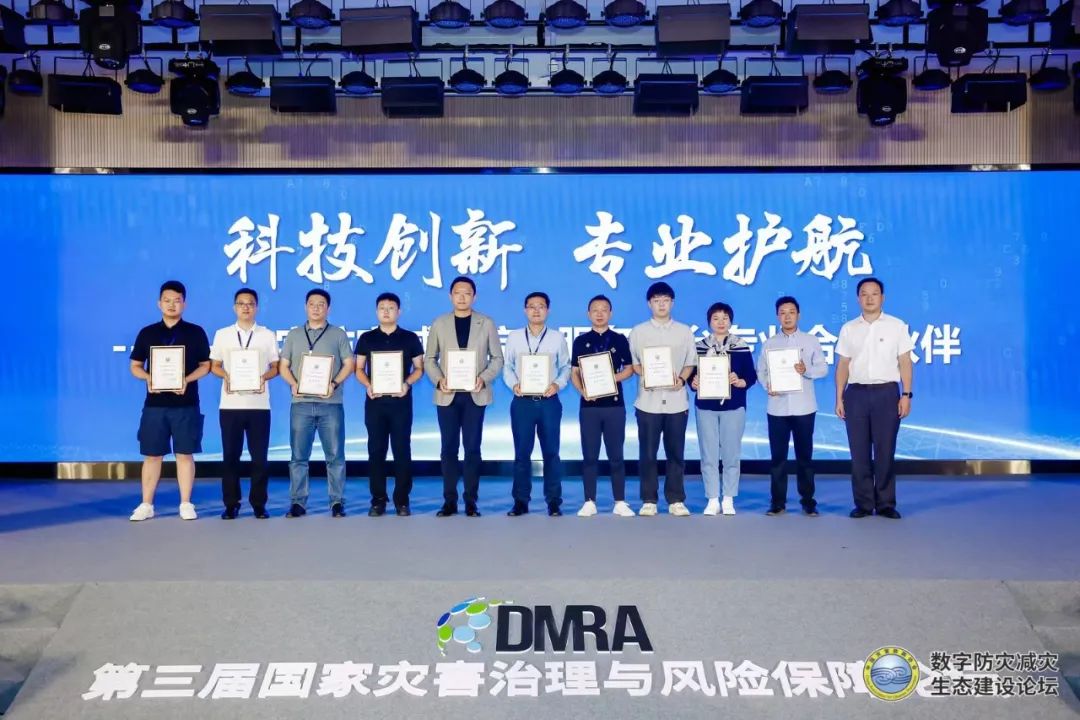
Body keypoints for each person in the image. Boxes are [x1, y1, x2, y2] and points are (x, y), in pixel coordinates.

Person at [127, 280, 211, 521]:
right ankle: (146, 504)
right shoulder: (147, 333)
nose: (172, 304)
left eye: (177, 300)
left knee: (185, 454)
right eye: (167, 300)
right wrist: (148, 378)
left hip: (186, 404)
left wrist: (186, 380)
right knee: (152, 455)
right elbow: (135, 366)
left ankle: (186, 503)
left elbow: (205, 366)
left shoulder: (195, 332)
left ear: (184, 303)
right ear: (159, 303)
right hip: (155, 405)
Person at [424, 276, 505, 517]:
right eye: (457, 293)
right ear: (450, 296)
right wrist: (439, 379)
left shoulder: (486, 323)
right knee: (448, 449)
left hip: (474, 394)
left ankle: (471, 501)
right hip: (447, 395)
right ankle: (449, 501)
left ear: (474, 296)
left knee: (472, 448)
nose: (462, 297)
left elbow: (497, 358)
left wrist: (483, 378)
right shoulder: (439, 323)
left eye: (467, 293)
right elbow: (430, 359)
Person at [835, 277, 914, 520]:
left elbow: (905, 361)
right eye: (864, 294)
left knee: (885, 450)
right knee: (858, 453)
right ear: (858, 298)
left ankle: (886, 503)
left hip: (886, 393)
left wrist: (906, 394)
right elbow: (843, 365)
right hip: (856, 394)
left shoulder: (897, 326)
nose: (869, 298)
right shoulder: (849, 328)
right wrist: (839, 397)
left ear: (883, 297)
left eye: (874, 293)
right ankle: (863, 503)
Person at [278, 289, 355, 518]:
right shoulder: (294, 335)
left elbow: (349, 364)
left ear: (328, 308)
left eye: (321, 304)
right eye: (312, 304)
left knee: (335, 457)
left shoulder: (338, 334)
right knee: (298, 457)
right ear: (305, 307)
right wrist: (293, 384)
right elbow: (283, 366)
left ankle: (337, 501)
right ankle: (298, 502)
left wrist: (334, 383)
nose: (316, 308)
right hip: (301, 404)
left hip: (330, 404)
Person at [208, 287, 279, 520]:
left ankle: (259, 504)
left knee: (259, 458)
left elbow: (276, 367)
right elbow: (214, 365)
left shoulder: (267, 335)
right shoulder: (222, 334)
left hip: (259, 405)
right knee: (230, 457)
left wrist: (263, 378)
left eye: (250, 303)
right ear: (234, 307)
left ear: (257, 307)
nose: (245, 307)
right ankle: (231, 504)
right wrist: (227, 376)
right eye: (241, 303)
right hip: (230, 405)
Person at [628, 282, 698, 517]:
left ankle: (676, 499)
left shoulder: (684, 331)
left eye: (665, 300)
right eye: (656, 301)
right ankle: (649, 499)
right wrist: (648, 375)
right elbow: (634, 364)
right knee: (648, 454)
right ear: (649, 304)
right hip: (648, 402)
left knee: (675, 453)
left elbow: (690, 362)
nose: (661, 305)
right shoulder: (638, 332)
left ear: (672, 303)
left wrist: (682, 379)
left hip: (677, 401)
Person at [354, 292, 424, 517]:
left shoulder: (410, 338)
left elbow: (419, 368)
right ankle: (378, 500)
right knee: (376, 451)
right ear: (376, 311)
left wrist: (407, 383)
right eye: (382, 308)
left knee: (402, 450)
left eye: (391, 307)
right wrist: (368, 384)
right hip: (375, 402)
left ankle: (402, 500)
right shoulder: (366, 338)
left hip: (401, 402)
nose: (386, 311)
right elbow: (358, 369)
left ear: (399, 311)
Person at [756, 296, 826, 517]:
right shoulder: (770, 343)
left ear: (798, 315)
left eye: (791, 312)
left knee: (805, 458)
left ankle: (808, 501)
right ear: (777, 316)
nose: (787, 316)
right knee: (778, 458)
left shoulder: (810, 341)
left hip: (804, 407)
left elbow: (822, 368)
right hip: (777, 408)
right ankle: (778, 502)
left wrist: (806, 370)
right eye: (783, 313)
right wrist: (768, 385)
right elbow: (761, 371)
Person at [503, 292, 571, 517]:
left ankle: (554, 501)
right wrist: (514, 385)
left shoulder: (557, 338)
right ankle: (520, 501)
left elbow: (566, 367)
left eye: (541, 306)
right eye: (531, 306)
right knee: (522, 453)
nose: (536, 310)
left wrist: (557, 385)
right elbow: (507, 366)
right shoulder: (514, 337)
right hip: (522, 402)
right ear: (525, 310)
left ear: (547, 310)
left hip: (549, 402)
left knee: (551, 453)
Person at [570, 294, 635, 517]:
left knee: (616, 455)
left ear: (610, 313)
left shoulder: (619, 339)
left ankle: (620, 501)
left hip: (615, 406)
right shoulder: (580, 341)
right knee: (590, 455)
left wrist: (612, 378)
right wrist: (583, 391)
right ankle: (589, 501)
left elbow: (629, 369)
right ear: (588, 314)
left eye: (604, 309)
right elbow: (575, 372)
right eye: (595, 310)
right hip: (589, 407)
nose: (599, 314)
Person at [691, 302, 757, 516]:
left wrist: (740, 381)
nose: (721, 322)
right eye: (716, 318)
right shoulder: (699, 347)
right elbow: (691, 375)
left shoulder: (741, 346)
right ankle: (712, 499)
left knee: (731, 454)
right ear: (709, 322)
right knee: (708, 454)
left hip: (734, 406)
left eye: (725, 318)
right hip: (706, 407)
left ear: (731, 321)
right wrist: (693, 382)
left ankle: (728, 498)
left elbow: (751, 376)